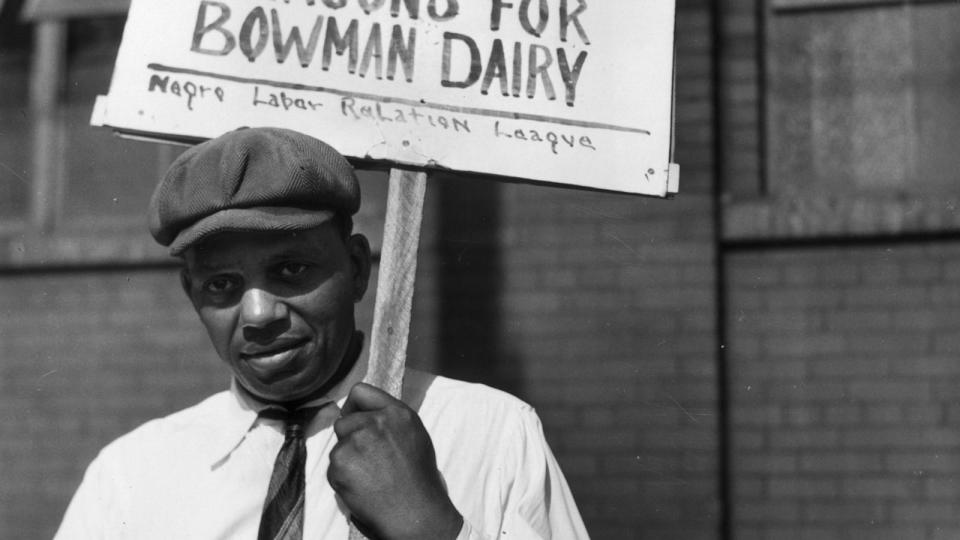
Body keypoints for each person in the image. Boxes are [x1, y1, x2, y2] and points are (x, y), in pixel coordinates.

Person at [54, 127, 589, 539]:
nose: (259, 313)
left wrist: (432, 530)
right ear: (192, 294)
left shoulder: (491, 434)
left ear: (357, 268)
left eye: (291, 271)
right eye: (223, 284)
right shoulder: (130, 474)